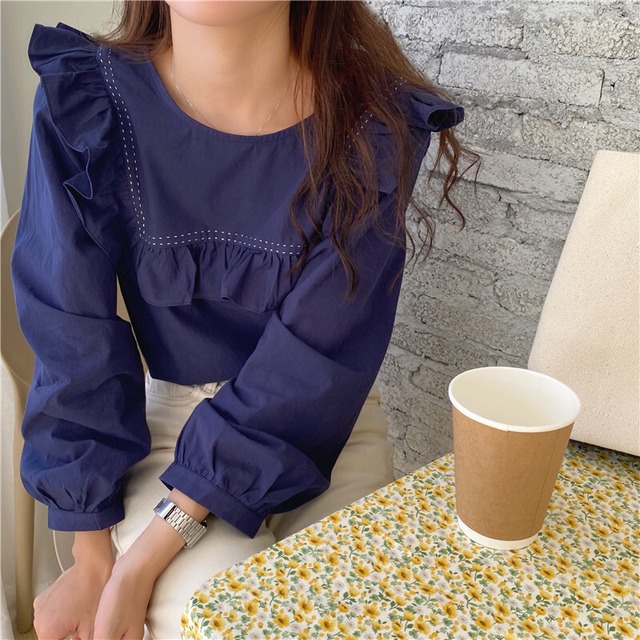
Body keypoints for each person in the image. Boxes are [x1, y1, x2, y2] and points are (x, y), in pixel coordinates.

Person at [12, 1, 476, 638]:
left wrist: (142, 563)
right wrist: (94, 561)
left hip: (325, 429)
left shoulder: (372, 121)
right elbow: (71, 340)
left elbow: (315, 361)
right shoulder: (87, 101)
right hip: (166, 434)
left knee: (365, 618)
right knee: (228, 620)